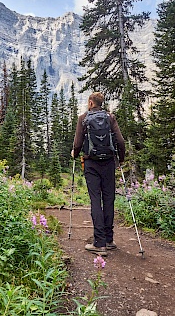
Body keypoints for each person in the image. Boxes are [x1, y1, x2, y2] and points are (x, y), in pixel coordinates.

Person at [71, 92, 125, 256]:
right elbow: (120, 142)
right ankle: (109, 240)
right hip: (108, 163)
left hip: (91, 163)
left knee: (96, 199)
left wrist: (75, 153)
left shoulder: (83, 118)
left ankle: (99, 243)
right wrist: (120, 159)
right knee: (109, 199)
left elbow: (78, 143)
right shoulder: (110, 117)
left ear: (90, 103)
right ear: (101, 103)